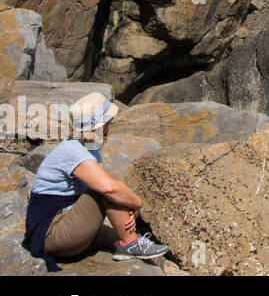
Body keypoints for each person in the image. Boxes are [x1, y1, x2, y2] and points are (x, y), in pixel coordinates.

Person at [22, 92, 169, 271]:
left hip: (71, 224)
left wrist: (126, 207)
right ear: (99, 124)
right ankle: (131, 243)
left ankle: (131, 243)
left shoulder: (89, 146)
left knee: (125, 239)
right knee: (110, 182)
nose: (111, 123)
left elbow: (109, 187)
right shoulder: (72, 150)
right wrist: (136, 203)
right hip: (53, 234)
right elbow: (109, 189)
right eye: (108, 120)